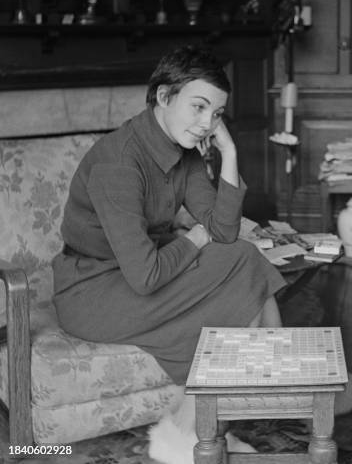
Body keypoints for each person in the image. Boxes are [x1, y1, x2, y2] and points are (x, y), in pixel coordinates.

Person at [52, 44, 286, 451]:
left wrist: (228, 152)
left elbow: (224, 231)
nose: (205, 123)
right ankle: (207, 426)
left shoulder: (183, 150)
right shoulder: (120, 163)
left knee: (242, 258)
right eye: (197, 107)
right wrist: (194, 238)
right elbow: (146, 277)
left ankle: (199, 426)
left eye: (215, 114)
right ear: (164, 96)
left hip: (140, 273)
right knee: (245, 266)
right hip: (93, 291)